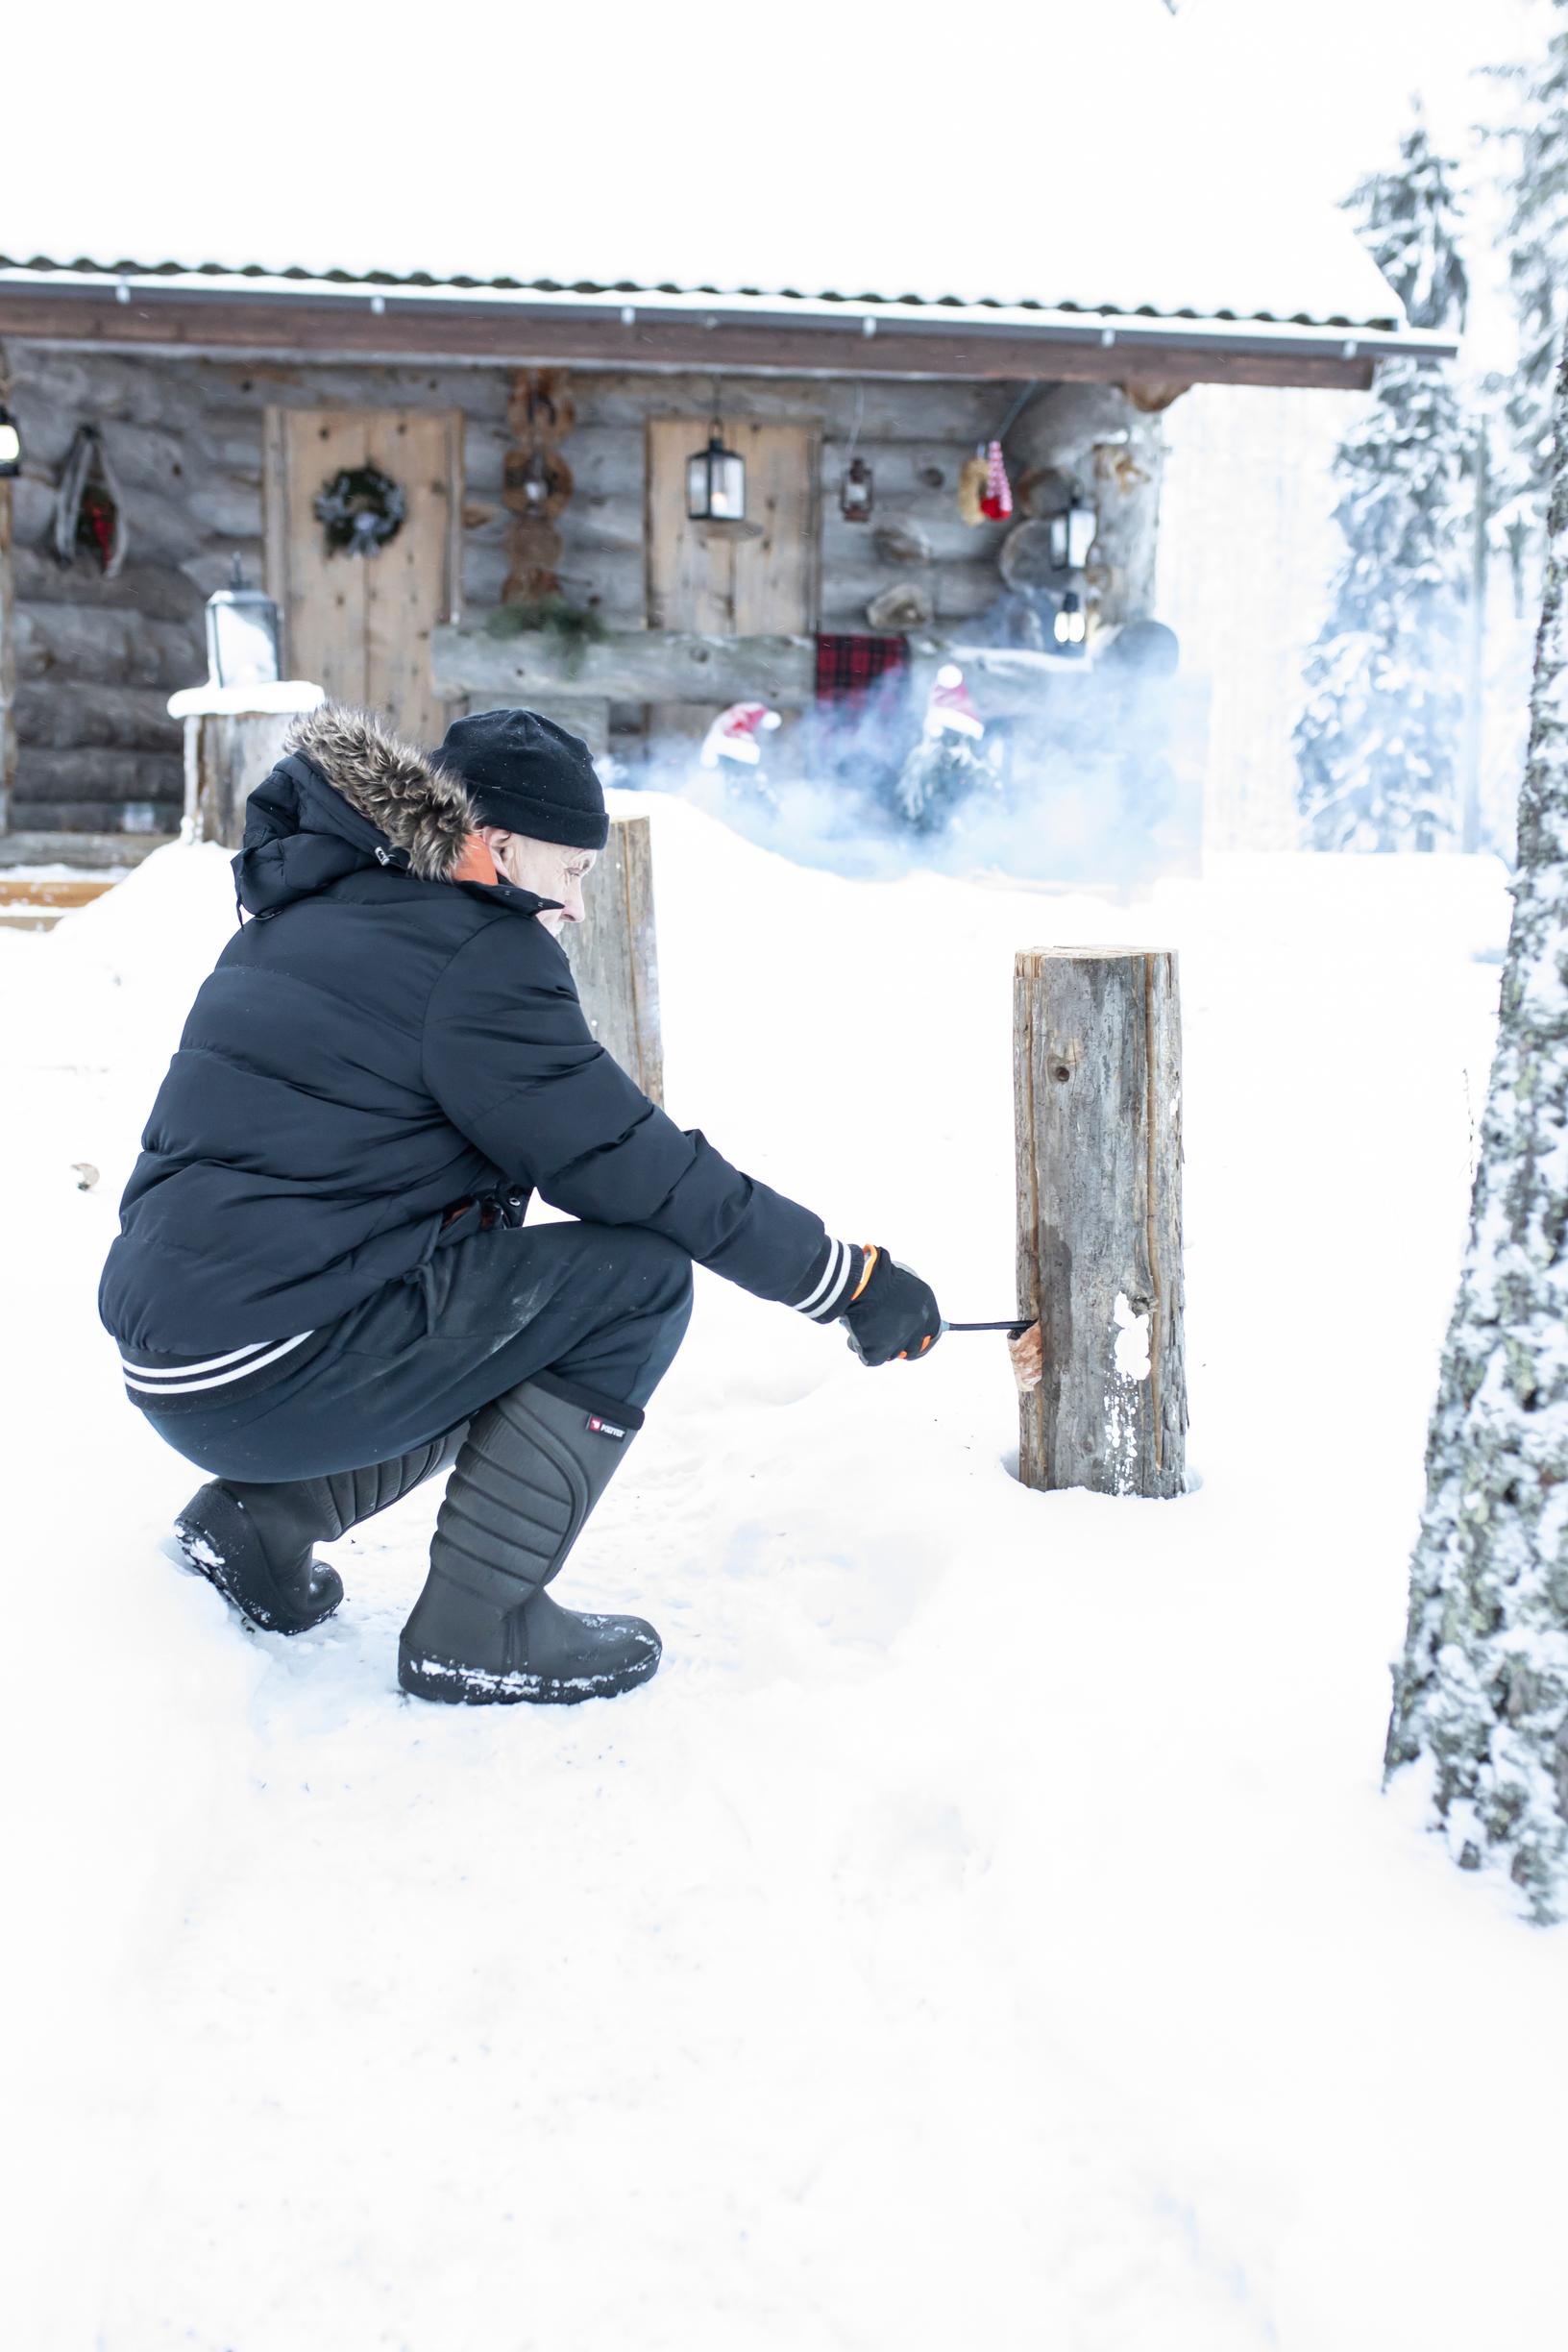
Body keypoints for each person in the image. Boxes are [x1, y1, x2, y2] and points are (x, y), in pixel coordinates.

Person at [100, 704, 943, 1707]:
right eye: (575, 870)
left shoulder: (319, 907)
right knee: (634, 1283)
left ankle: (256, 1533)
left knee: (492, 1307)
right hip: (274, 1362)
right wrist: (845, 1282)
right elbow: (640, 1170)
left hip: (180, 1360)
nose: (581, 906)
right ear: (499, 846)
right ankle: (481, 1625)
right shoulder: (477, 954)